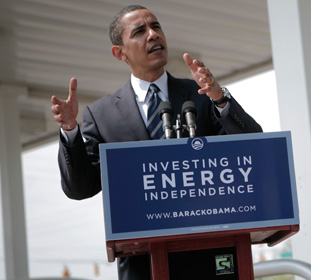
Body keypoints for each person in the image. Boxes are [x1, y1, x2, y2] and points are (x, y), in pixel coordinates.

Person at [50, 5, 262, 279]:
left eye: (156, 26)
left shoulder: (199, 94)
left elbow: (253, 146)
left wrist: (221, 100)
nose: (152, 35)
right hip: (144, 266)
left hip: (211, 256)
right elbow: (79, 188)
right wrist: (70, 131)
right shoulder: (101, 115)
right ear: (120, 53)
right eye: (139, 31)